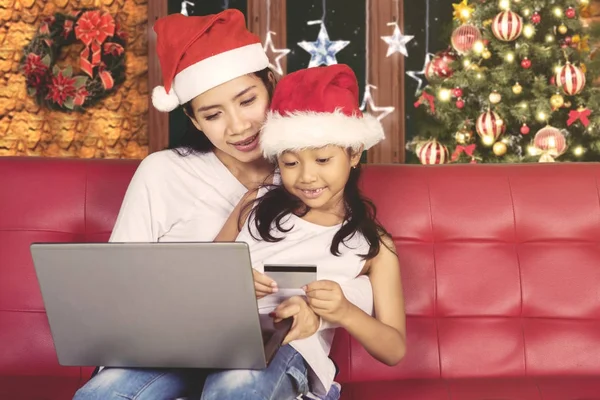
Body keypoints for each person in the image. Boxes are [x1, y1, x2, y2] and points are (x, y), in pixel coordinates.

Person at [73, 9, 373, 400]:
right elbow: (120, 287)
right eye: (213, 115)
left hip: (273, 357)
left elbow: (351, 263)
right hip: (174, 348)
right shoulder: (162, 173)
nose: (238, 126)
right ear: (193, 120)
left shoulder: (309, 173)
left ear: (270, 85)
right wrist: (212, 288)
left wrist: (318, 311)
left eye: (247, 101)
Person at [223, 64, 407, 399]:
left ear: (353, 154)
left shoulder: (374, 246)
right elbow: (200, 269)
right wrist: (230, 281)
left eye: (323, 160)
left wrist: (344, 312)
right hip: (221, 338)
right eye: (291, 163)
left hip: (292, 351)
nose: (306, 177)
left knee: (235, 386)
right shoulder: (255, 204)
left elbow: (394, 349)